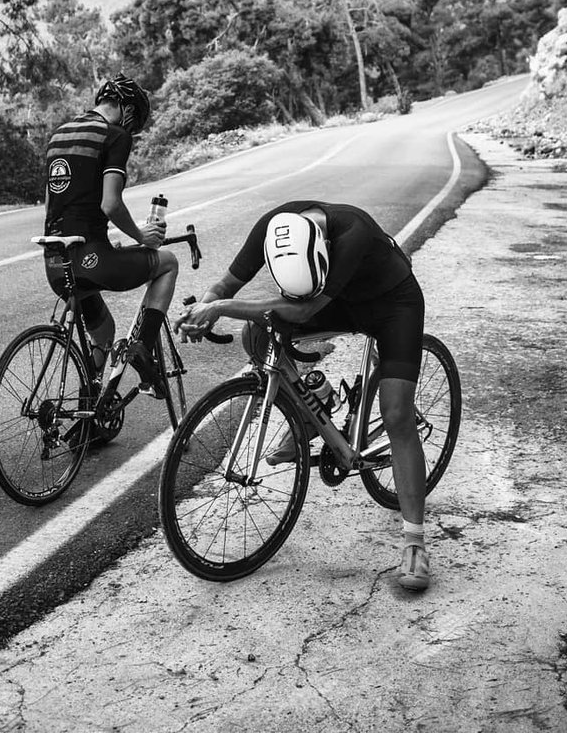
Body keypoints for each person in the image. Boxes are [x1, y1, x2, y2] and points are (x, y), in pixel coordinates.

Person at [181, 201, 431, 592]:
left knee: (396, 414)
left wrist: (223, 308)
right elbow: (226, 285)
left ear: (324, 248)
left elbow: (305, 310)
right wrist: (206, 302)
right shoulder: (274, 226)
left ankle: (415, 541)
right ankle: (317, 405)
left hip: (392, 304)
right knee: (257, 334)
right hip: (336, 302)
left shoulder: (354, 232)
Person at [42, 73, 176, 396]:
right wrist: (142, 237)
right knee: (168, 262)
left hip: (56, 265)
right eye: (135, 123)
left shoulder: (58, 135)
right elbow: (111, 204)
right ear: (127, 109)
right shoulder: (114, 135)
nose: (132, 131)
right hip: (93, 261)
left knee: (104, 332)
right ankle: (142, 349)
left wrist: (101, 243)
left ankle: (91, 412)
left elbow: (52, 206)